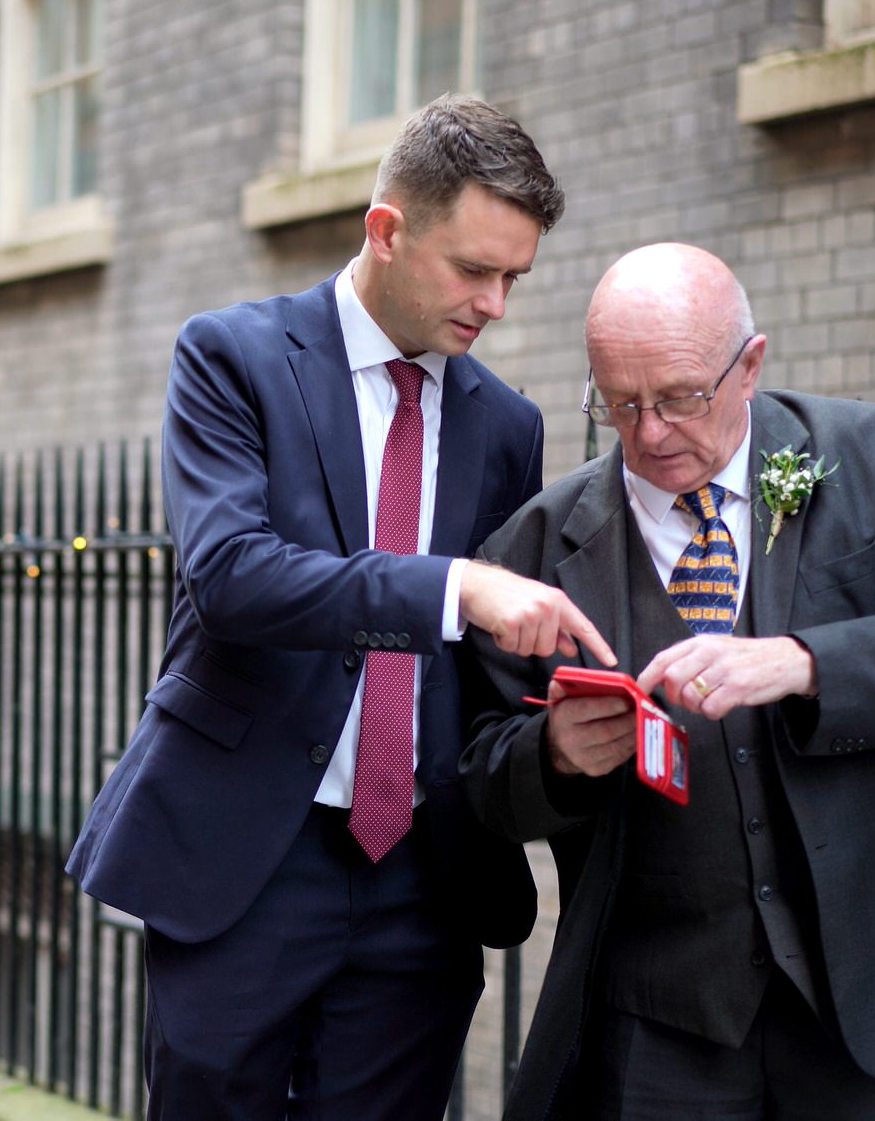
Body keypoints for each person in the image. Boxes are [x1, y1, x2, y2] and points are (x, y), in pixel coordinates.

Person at [65, 94, 613, 1120]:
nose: (494, 304)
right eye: (472, 269)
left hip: (426, 875)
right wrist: (455, 587)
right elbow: (231, 575)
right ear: (386, 230)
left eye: (513, 277)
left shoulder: (505, 423)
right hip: (248, 859)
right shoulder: (231, 357)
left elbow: (488, 667)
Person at [461, 243, 875, 1119]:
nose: (651, 433)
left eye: (681, 397)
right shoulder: (534, 548)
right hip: (660, 1016)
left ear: (751, 365)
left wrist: (806, 661)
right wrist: (553, 755)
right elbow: (482, 778)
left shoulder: (874, 458)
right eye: (620, 402)